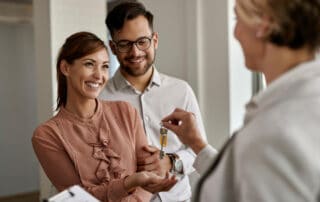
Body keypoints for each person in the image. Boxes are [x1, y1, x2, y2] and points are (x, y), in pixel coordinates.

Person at [162, 0, 320, 201]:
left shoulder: (277, 131)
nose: (235, 33)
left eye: (237, 18)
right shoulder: (301, 103)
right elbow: (244, 183)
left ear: (264, 24)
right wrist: (197, 145)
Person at [32, 31, 176, 202]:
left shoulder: (126, 112)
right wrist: (129, 182)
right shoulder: (47, 135)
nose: (99, 76)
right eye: (89, 64)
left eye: (105, 66)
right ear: (66, 68)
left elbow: (149, 172)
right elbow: (79, 198)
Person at [100, 1, 211, 202]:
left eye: (142, 41)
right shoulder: (100, 99)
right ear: (113, 48)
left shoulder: (181, 91)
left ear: (155, 40)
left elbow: (198, 149)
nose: (135, 52)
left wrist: (170, 162)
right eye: (125, 44)